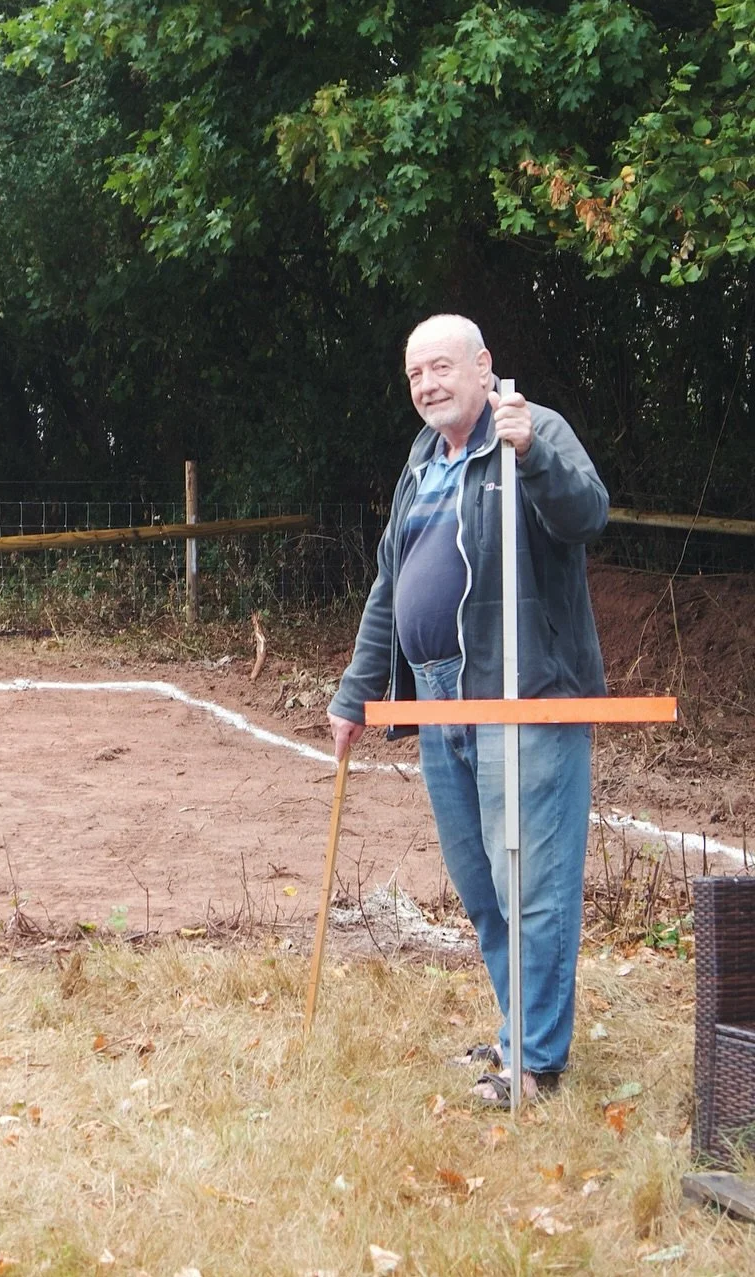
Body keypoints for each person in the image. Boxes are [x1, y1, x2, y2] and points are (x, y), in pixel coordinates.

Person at [326, 313, 608, 1105]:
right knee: (481, 881)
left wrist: (533, 452)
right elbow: (390, 582)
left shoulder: (531, 431)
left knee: (535, 879)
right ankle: (518, 1029)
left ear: (484, 366)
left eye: (442, 367)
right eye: (416, 374)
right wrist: (358, 691)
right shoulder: (421, 461)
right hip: (439, 691)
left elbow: (587, 514)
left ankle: (538, 1065)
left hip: (524, 693)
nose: (428, 385)